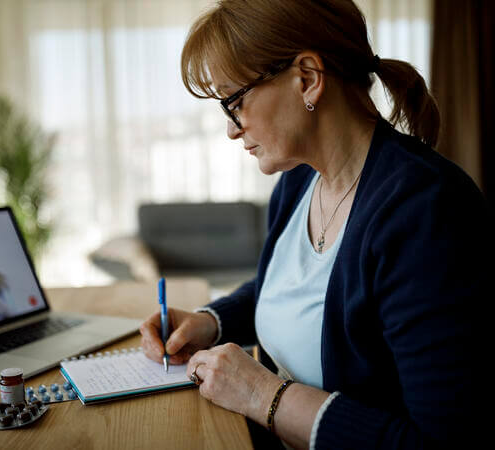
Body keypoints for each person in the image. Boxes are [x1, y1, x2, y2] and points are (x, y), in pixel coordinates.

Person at [139, 0, 492, 448]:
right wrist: (211, 321)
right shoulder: (300, 179)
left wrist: (260, 394)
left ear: (307, 78)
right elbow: (298, 292)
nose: (232, 129)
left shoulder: (427, 213)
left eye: (235, 101)